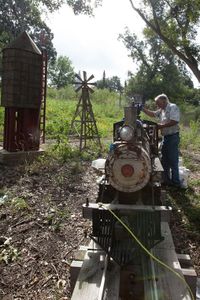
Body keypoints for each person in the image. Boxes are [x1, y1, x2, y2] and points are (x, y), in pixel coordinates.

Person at [142, 93, 181, 187]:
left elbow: (175, 121)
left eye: (158, 103)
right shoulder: (162, 110)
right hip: (165, 137)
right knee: (164, 160)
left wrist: (160, 126)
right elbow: (152, 114)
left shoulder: (172, 107)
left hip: (172, 137)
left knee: (173, 160)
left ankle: (176, 183)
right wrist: (142, 109)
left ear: (164, 101)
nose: (157, 105)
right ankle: (166, 181)